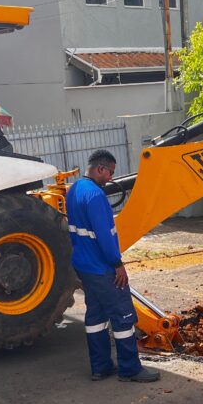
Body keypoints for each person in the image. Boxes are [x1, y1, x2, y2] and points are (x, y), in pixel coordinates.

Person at [67, 149, 160, 383]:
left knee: (96, 316)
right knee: (124, 317)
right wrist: (117, 264)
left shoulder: (74, 189)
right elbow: (105, 236)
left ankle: (100, 367)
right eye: (110, 173)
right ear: (100, 168)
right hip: (102, 268)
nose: (111, 178)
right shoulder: (96, 197)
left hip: (84, 266)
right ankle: (130, 369)